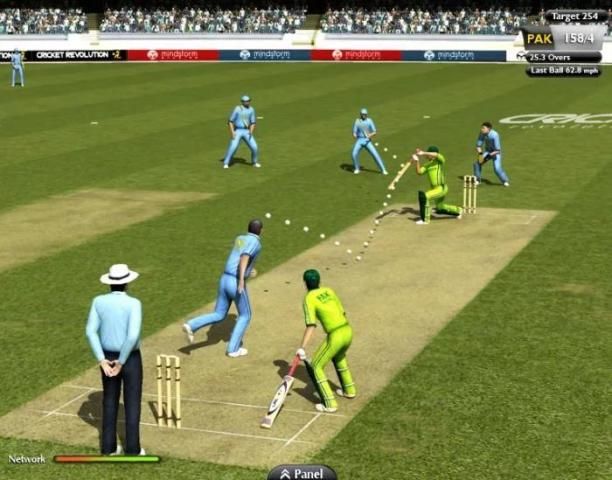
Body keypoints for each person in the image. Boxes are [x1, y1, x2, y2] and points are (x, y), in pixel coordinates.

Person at [85, 264, 144, 456]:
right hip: (130, 358)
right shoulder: (134, 303)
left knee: (109, 400)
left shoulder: (98, 301)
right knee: (132, 402)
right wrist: (121, 361)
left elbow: (90, 332)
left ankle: (108, 447)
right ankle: (133, 450)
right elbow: (132, 336)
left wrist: (102, 360)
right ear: (127, 283)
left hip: (108, 357)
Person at [182, 219, 263, 357]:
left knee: (219, 314)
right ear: (261, 230)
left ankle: (191, 325)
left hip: (224, 279)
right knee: (245, 315)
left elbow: (238, 257)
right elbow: (244, 257)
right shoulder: (255, 242)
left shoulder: (239, 238)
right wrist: (242, 279)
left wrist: (249, 271)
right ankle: (233, 349)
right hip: (235, 281)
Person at [296, 269, 356, 413]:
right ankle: (349, 390)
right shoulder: (329, 291)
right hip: (348, 330)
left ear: (305, 283)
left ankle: (329, 404)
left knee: (316, 365)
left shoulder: (309, 298)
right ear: (319, 280)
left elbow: (311, 325)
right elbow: (342, 312)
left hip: (336, 335)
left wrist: (302, 347)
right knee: (339, 357)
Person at [412, 146, 462, 225]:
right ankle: (458, 210)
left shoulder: (439, 161)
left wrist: (423, 153)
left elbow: (436, 154)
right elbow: (419, 172)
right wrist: (417, 161)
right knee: (440, 207)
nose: (428, 155)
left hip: (441, 188)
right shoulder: (427, 165)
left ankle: (425, 220)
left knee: (425, 196)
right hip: (434, 189)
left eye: (429, 153)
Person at [223, 95, 260, 168]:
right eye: (245, 101)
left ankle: (254, 162)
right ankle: (226, 163)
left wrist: (251, 131)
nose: (247, 102)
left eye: (248, 101)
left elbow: (253, 122)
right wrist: (232, 132)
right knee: (233, 147)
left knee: (255, 147)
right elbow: (230, 121)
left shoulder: (251, 109)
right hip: (238, 131)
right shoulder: (237, 109)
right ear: (242, 102)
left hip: (247, 131)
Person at [351, 108, 387, 175]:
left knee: (375, 154)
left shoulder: (370, 121)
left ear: (367, 115)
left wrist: (370, 135)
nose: (364, 115)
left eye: (365, 114)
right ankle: (357, 168)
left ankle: (383, 170)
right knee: (353, 154)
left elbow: (375, 132)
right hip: (359, 140)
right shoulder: (357, 121)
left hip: (367, 141)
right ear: (360, 114)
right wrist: (354, 135)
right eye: (362, 114)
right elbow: (354, 131)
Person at [473, 121, 510, 186]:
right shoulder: (481, 134)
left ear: (489, 129)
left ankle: (505, 181)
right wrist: (481, 155)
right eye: (481, 128)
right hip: (488, 152)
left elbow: (498, 150)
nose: (482, 129)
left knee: (497, 168)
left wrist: (488, 156)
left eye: (483, 128)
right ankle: (477, 180)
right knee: (477, 164)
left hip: (496, 153)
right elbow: (478, 146)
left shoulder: (495, 135)